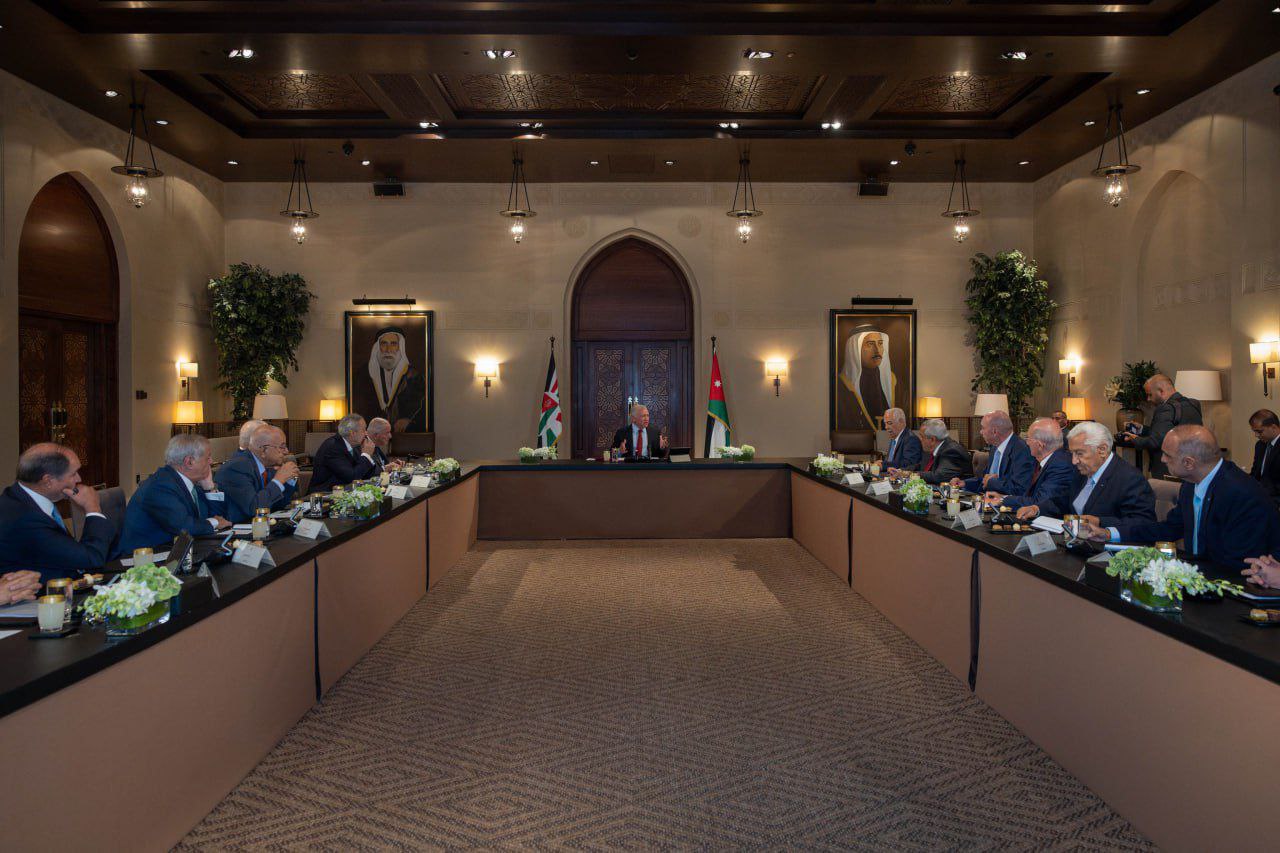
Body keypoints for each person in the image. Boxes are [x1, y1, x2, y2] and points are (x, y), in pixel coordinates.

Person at [1077, 426, 1280, 569]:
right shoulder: (1191, 485)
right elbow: (1169, 528)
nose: (1162, 459)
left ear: (1189, 463)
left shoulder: (1241, 494)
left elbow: (1237, 562)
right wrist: (1109, 533)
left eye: (1167, 455)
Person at [0, 443, 115, 582]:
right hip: (46, 593)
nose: (79, 479)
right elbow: (92, 559)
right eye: (73, 474)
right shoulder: (24, 518)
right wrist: (93, 508)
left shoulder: (20, 496)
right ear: (48, 481)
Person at [1015, 420, 1156, 528]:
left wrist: (1100, 522)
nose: (1074, 461)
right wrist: (1037, 509)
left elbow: (1143, 523)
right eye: (1072, 453)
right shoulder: (1082, 472)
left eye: (1079, 453)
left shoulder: (1130, 479)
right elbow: (1063, 501)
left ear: (1102, 450)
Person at [117, 434, 231, 555]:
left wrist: (209, 488)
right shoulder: (160, 486)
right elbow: (184, 527)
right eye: (207, 458)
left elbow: (218, 518)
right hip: (144, 559)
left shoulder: (189, 482)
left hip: (175, 551)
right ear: (189, 462)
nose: (211, 461)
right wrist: (215, 522)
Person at [1117, 373, 1202, 478]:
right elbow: (1170, 432)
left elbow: (1155, 442)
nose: (1148, 399)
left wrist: (1135, 439)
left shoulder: (1166, 408)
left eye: (1150, 395)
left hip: (1168, 469)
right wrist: (1142, 429)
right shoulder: (1194, 404)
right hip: (1191, 467)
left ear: (1161, 391)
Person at [986, 418, 1080, 511]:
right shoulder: (1049, 460)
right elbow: (1028, 494)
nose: (1027, 443)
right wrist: (1003, 497)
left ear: (1039, 445)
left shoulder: (1061, 465)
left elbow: (1039, 502)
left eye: (1028, 439)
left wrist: (1002, 500)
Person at [213, 424, 300, 523]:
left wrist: (288, 479)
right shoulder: (237, 467)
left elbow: (275, 505)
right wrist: (278, 480)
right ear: (263, 450)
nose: (286, 451)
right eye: (282, 447)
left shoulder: (267, 466)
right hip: (237, 528)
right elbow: (254, 508)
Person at [952, 410, 1034, 496]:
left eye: (983, 428)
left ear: (994, 431)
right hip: (986, 499)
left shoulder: (1022, 450)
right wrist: (965, 483)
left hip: (1005, 502)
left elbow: (1019, 489)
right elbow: (985, 480)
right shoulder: (994, 448)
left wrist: (993, 482)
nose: (981, 432)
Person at [368, 327, 427, 433]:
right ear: (377, 347)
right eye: (384, 343)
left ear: (400, 347)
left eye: (393, 344)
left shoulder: (413, 376)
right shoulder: (364, 375)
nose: (388, 349)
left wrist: (407, 419)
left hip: (404, 435)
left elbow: (421, 408)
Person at [840, 326, 895, 430]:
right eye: (870, 344)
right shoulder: (843, 385)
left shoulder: (893, 381)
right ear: (855, 349)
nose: (877, 350)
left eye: (880, 343)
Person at [309, 413, 378, 493]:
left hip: (343, 492)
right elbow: (352, 477)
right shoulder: (333, 447)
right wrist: (366, 455)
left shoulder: (354, 445)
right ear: (352, 433)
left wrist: (368, 457)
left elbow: (364, 475)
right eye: (363, 430)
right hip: (323, 495)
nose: (366, 433)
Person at [889, 418, 971, 484]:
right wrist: (900, 471)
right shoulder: (932, 448)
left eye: (922, 437)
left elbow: (939, 476)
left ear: (932, 439)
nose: (920, 440)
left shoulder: (952, 451)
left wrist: (909, 474)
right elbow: (920, 466)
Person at [1247, 409, 1280, 504]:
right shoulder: (1260, 445)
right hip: (1259, 496)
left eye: (1259, 431)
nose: (1256, 435)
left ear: (1273, 427)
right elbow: (1255, 473)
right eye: (1254, 431)